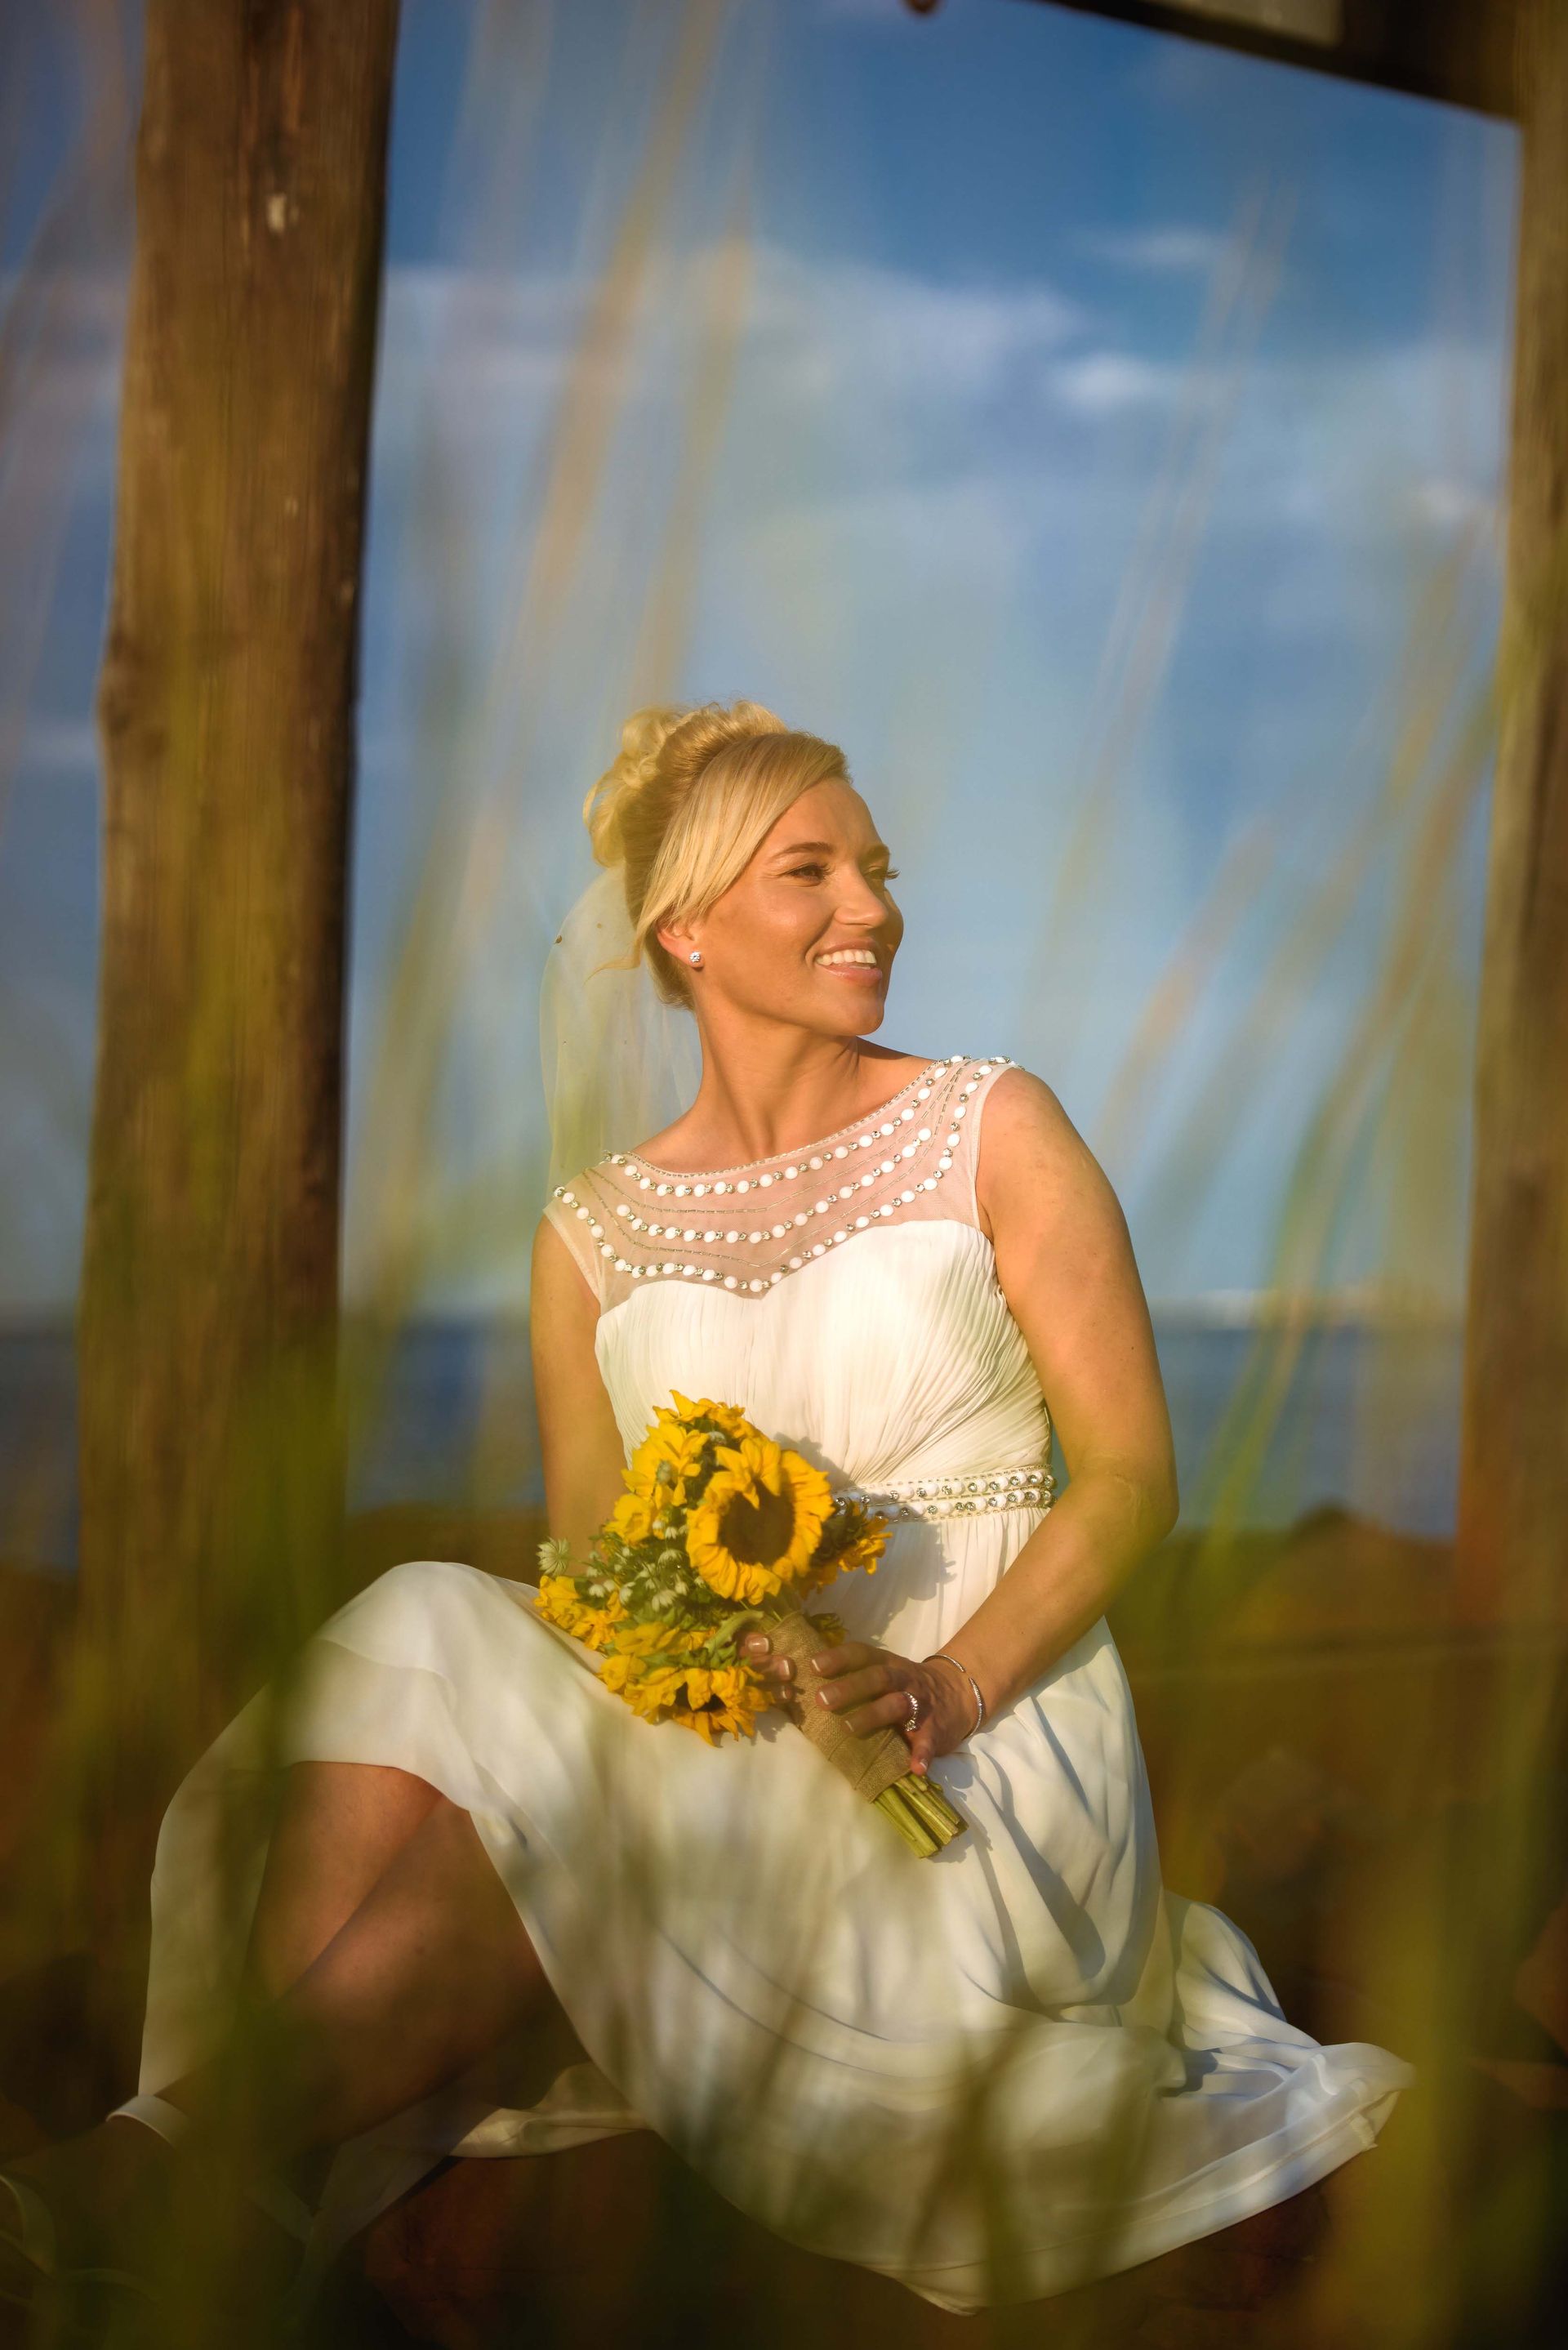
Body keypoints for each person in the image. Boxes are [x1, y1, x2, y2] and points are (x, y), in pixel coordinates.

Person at [0, 698, 1415, 2327]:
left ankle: (169, 2173)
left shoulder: (993, 1129)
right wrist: (735, 1650)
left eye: (873, 866)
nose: (870, 905)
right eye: (808, 870)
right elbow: (601, 1583)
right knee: (429, 1622)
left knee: (550, 1788)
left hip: (981, 1751)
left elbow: (1135, 1480)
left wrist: (941, 1685)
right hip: (736, 1724)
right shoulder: (589, 1235)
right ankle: (213, 2179)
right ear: (684, 927)